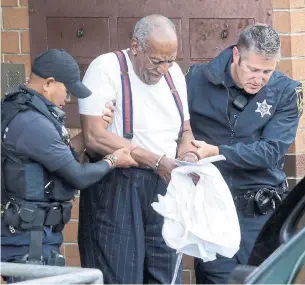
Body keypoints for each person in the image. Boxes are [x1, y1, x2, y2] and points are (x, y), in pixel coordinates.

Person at [77, 14, 199, 284]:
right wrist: (155, 160)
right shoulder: (106, 68)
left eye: (170, 60)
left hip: (164, 183)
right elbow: (94, 137)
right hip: (118, 185)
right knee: (118, 273)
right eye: (157, 61)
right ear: (135, 47)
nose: (164, 68)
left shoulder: (174, 74)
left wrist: (188, 154)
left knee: (166, 272)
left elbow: (185, 131)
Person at [1, 49, 136, 283]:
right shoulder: (31, 122)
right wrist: (114, 160)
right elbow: (78, 176)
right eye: (67, 90)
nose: (69, 99)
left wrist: (90, 134)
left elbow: (61, 156)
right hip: (29, 242)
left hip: (34, 236)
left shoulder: (30, 113)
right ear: (49, 83)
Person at [185, 24, 303, 284]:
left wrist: (216, 152)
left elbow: (270, 152)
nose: (259, 79)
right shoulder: (196, 80)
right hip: (213, 212)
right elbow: (174, 128)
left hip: (260, 217)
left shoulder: (286, 91)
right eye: (253, 69)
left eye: (267, 71)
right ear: (236, 55)